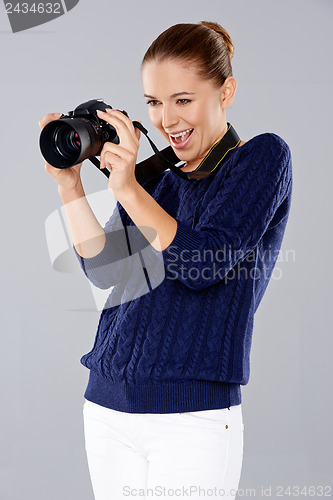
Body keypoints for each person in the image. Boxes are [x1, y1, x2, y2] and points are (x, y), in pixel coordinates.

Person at [39, 21, 293, 500]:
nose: (166, 119)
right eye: (154, 103)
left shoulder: (261, 158)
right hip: (107, 407)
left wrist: (129, 188)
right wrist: (69, 186)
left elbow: (204, 263)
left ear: (227, 90)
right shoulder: (156, 178)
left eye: (183, 100)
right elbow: (107, 270)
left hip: (191, 418)